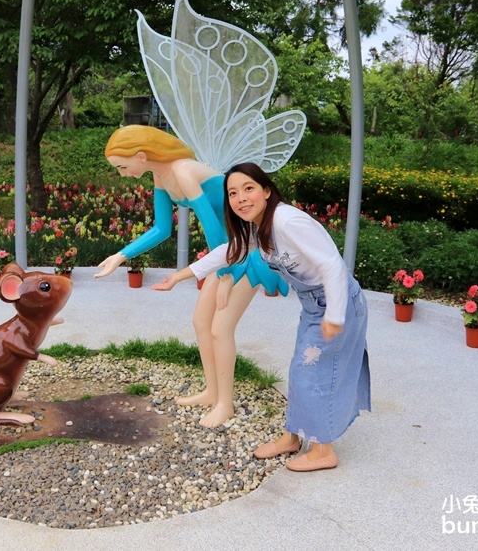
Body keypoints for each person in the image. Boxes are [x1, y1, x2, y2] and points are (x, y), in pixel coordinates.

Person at [152, 162, 370, 472]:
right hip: (314, 305)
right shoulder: (259, 226)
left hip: (338, 304)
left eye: (248, 189)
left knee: (317, 373)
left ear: (266, 191)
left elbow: (332, 265)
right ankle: (291, 437)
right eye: (233, 193)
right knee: (301, 370)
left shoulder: (287, 222)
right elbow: (231, 251)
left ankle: (324, 450)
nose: (240, 198)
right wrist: (179, 276)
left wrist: (335, 315)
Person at [95, 125, 285, 428]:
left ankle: (225, 404)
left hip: (248, 249)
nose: (121, 173)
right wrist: (121, 256)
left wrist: (224, 275)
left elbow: (212, 225)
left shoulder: (183, 172)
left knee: (220, 328)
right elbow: (162, 229)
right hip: (227, 252)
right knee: (201, 322)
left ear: (140, 156)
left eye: (122, 166)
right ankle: (212, 392)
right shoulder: (161, 176)